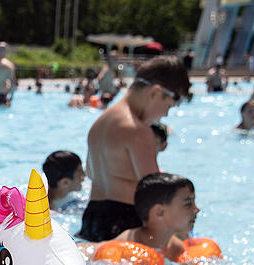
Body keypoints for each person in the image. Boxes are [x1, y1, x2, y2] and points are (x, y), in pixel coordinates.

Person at [78, 55, 190, 242]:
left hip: (91, 218)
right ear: (155, 93)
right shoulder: (138, 130)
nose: (165, 114)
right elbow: (156, 195)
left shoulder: (100, 123)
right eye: (169, 106)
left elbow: (90, 172)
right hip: (125, 223)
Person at [107, 173, 199, 263]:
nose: (197, 209)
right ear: (159, 212)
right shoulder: (122, 247)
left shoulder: (177, 250)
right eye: (188, 204)